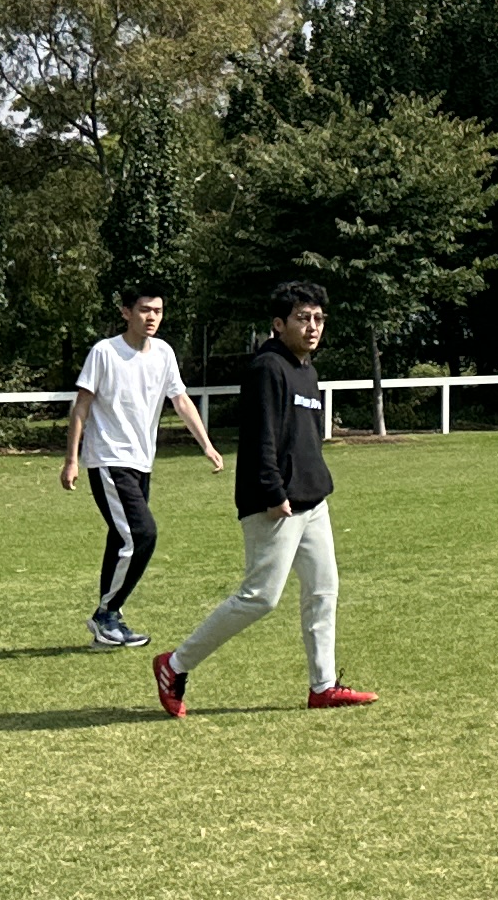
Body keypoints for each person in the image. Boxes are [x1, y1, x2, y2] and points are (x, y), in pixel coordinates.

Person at [151, 283, 373, 718]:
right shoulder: (266, 368)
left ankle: (323, 686)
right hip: (276, 502)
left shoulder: (305, 370)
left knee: (323, 590)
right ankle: (174, 665)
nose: (312, 328)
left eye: (319, 319)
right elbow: (259, 438)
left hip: (313, 502)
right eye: (302, 318)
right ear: (278, 324)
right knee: (260, 597)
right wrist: (273, 491)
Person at [61, 282, 221, 649]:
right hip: (108, 460)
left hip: (140, 462)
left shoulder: (163, 353)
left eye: (158, 311)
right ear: (126, 312)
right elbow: (81, 406)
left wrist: (207, 446)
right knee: (142, 534)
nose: (152, 317)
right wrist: (71, 460)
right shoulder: (105, 352)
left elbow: (180, 400)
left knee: (123, 538)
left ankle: (110, 622)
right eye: (145, 310)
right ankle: (106, 614)